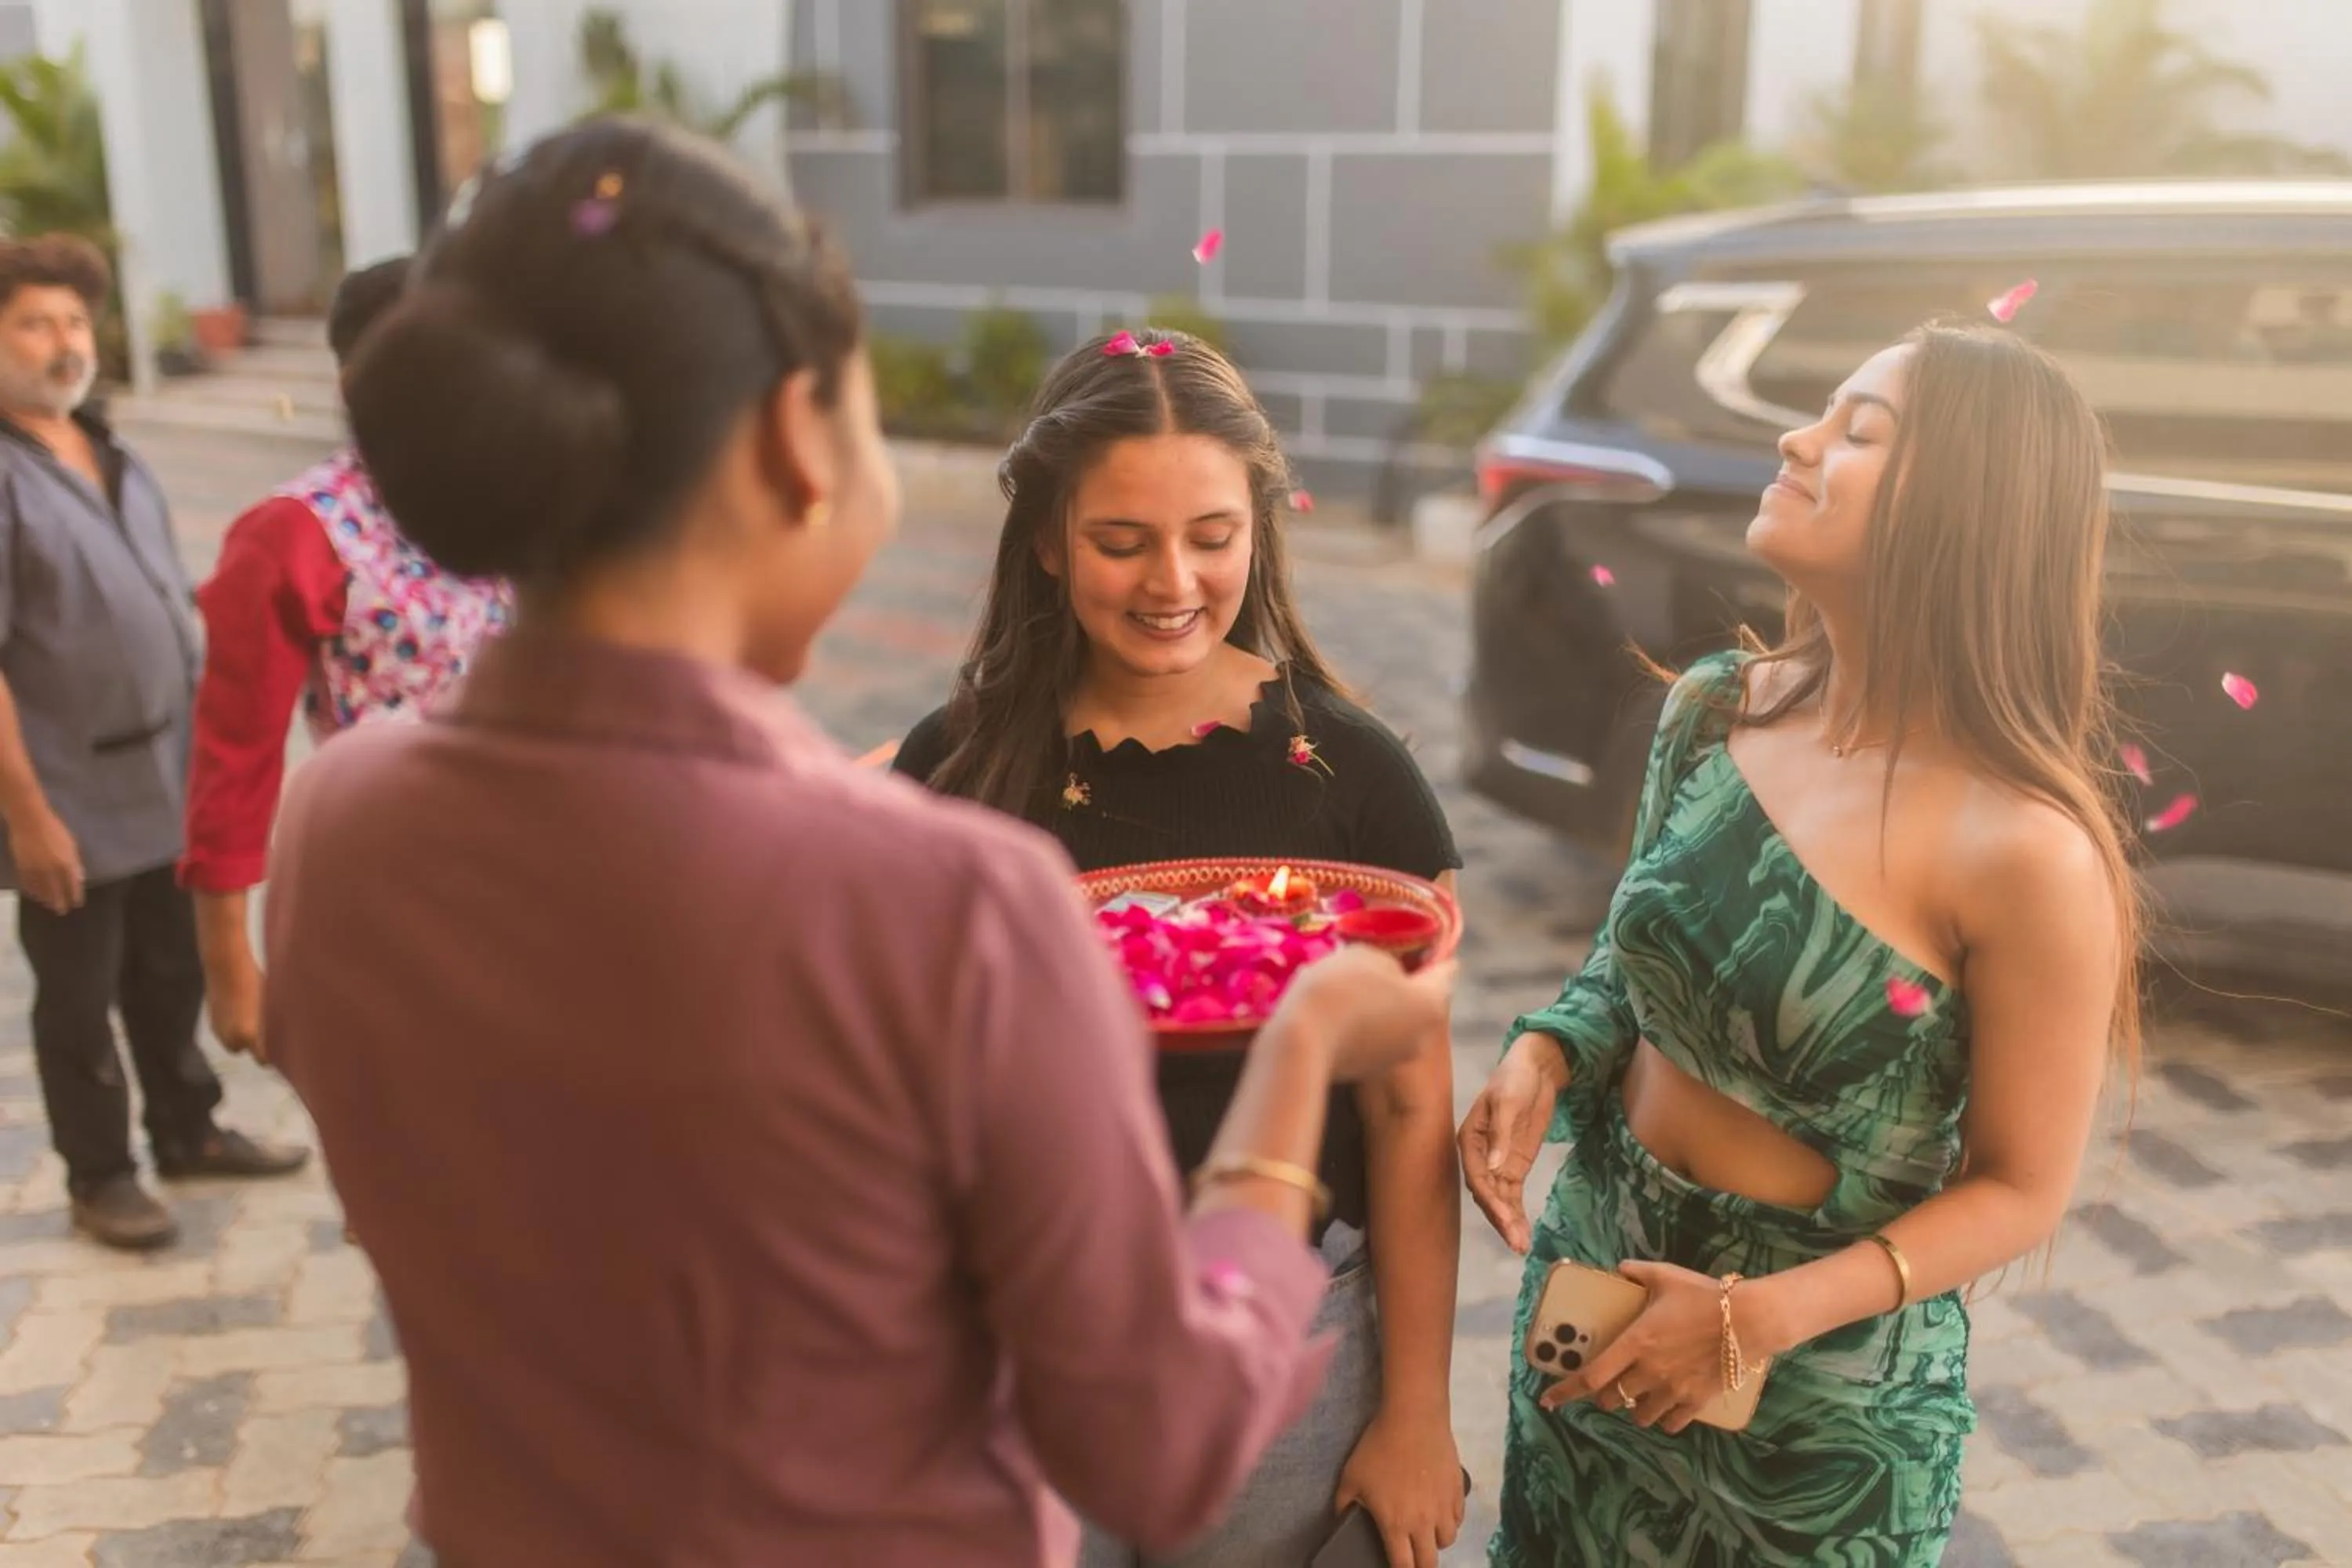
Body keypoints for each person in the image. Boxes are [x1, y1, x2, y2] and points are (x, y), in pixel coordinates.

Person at [262, 119, 1454, 1567]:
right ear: (792, 440)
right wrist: (1304, 1050)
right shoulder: (948, 899)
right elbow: (1158, 1440)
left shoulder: (339, 821)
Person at [1458, 321, 2140, 1566]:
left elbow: (2020, 1189)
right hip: (1593, 1306)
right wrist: (1551, 1051)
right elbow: (1639, 954)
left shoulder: (2028, 853)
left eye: (1859, 431)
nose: (1796, 438)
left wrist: (1753, 1318)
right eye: (1822, 413)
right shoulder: (1715, 707)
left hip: (1809, 1413)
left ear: (1966, 509)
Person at [894, 329, 1468, 1568]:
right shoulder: (952, 769)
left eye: (1212, 536)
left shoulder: (1354, 779)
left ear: (1260, 529)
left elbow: (1414, 1115)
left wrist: (1417, 1413)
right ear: (1047, 540)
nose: (1172, 582)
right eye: (1121, 541)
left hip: (1292, 1354)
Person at [0, 235, 309, 1251]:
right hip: (67, 796)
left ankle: (188, 1128)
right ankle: (101, 1177)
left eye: (75, 322)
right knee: (80, 997)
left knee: (170, 972)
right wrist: (29, 817)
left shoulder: (108, 449)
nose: (62, 342)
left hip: (169, 780)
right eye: (35, 323)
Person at [180, 255, 512, 1062]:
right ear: (359, 378)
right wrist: (230, 963)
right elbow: (235, 750)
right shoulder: (299, 528)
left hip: (529, 866)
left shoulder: (512, 496)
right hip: (393, 878)